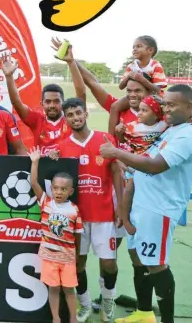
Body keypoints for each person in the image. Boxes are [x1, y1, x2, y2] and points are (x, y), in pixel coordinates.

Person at [101, 85, 192, 323]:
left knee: (156, 264)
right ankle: (145, 313)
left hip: (159, 209)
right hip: (142, 205)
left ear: (189, 107)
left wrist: (116, 152)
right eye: (165, 104)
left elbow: (155, 165)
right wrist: (126, 211)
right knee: (137, 256)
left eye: (172, 104)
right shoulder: (172, 129)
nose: (166, 109)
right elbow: (143, 163)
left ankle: (168, 320)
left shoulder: (188, 135)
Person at [51, 98, 123, 322]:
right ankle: (84, 305)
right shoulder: (63, 146)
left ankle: (107, 300)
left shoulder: (105, 139)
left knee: (108, 263)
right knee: (77, 264)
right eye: (70, 115)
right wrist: (52, 158)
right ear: (66, 119)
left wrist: (120, 206)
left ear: (85, 114)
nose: (75, 118)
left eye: (78, 113)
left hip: (104, 215)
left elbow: (117, 174)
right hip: (76, 219)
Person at [29, 146, 81, 323]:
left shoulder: (74, 210)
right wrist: (35, 162)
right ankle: (56, 318)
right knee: (53, 289)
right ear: (51, 189)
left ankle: (73, 318)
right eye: (56, 188)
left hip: (67, 259)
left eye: (63, 189)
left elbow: (78, 236)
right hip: (49, 257)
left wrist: (78, 257)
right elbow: (34, 183)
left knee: (68, 290)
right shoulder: (45, 202)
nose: (59, 192)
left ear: (70, 191)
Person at [109, 36, 167, 135]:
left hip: (154, 97)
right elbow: (121, 86)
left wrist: (143, 80)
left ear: (150, 50)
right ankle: (110, 136)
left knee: (167, 109)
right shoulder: (131, 66)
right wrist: (128, 77)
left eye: (139, 46)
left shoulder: (155, 65)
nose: (134, 49)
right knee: (115, 106)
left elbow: (157, 90)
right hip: (136, 95)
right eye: (133, 47)